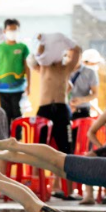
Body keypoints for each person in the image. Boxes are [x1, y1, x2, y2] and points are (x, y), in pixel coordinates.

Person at [32, 33, 80, 162]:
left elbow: (77, 51)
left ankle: (59, 183)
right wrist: (43, 41)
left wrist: (66, 40)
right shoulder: (44, 67)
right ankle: (37, 179)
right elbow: (39, 55)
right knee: (39, 149)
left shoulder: (66, 68)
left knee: (66, 149)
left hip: (61, 109)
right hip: (45, 109)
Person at [0, 19, 30, 124]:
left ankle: (18, 138)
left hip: (19, 88)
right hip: (3, 88)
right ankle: (6, 138)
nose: (12, 32)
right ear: (4, 31)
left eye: (15, 30)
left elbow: (27, 67)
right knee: (5, 115)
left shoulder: (23, 47)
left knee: (18, 114)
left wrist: (29, 86)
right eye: (10, 30)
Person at [69, 48, 101, 120]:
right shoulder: (63, 71)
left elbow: (95, 94)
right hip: (66, 110)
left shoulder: (91, 72)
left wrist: (81, 100)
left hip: (82, 112)